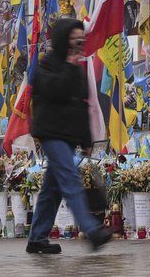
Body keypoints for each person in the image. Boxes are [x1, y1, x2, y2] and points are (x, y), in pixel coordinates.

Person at [27, 18, 112, 254]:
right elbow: (54, 91)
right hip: (50, 133)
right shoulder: (48, 65)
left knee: (51, 189)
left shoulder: (76, 68)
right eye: (74, 38)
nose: (79, 42)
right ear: (64, 39)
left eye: (80, 38)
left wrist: (86, 140)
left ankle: (37, 238)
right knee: (70, 179)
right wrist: (67, 65)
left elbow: (80, 106)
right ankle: (92, 230)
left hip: (68, 135)